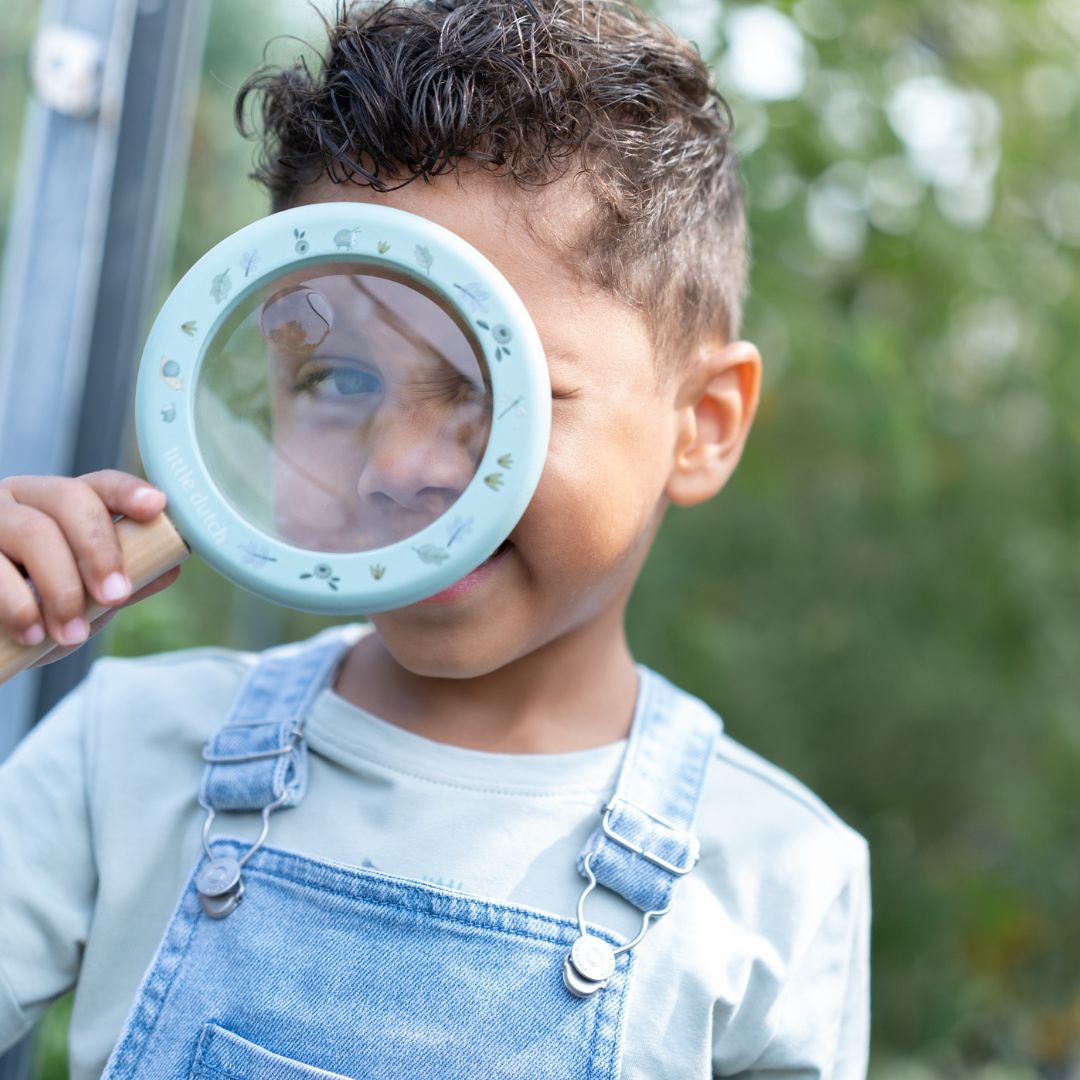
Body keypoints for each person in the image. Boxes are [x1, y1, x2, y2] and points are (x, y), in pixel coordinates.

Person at [0, 2, 870, 1077]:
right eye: (337, 378)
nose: (400, 462)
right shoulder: (125, 754)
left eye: (487, 383)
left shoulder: (775, 874)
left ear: (701, 425)